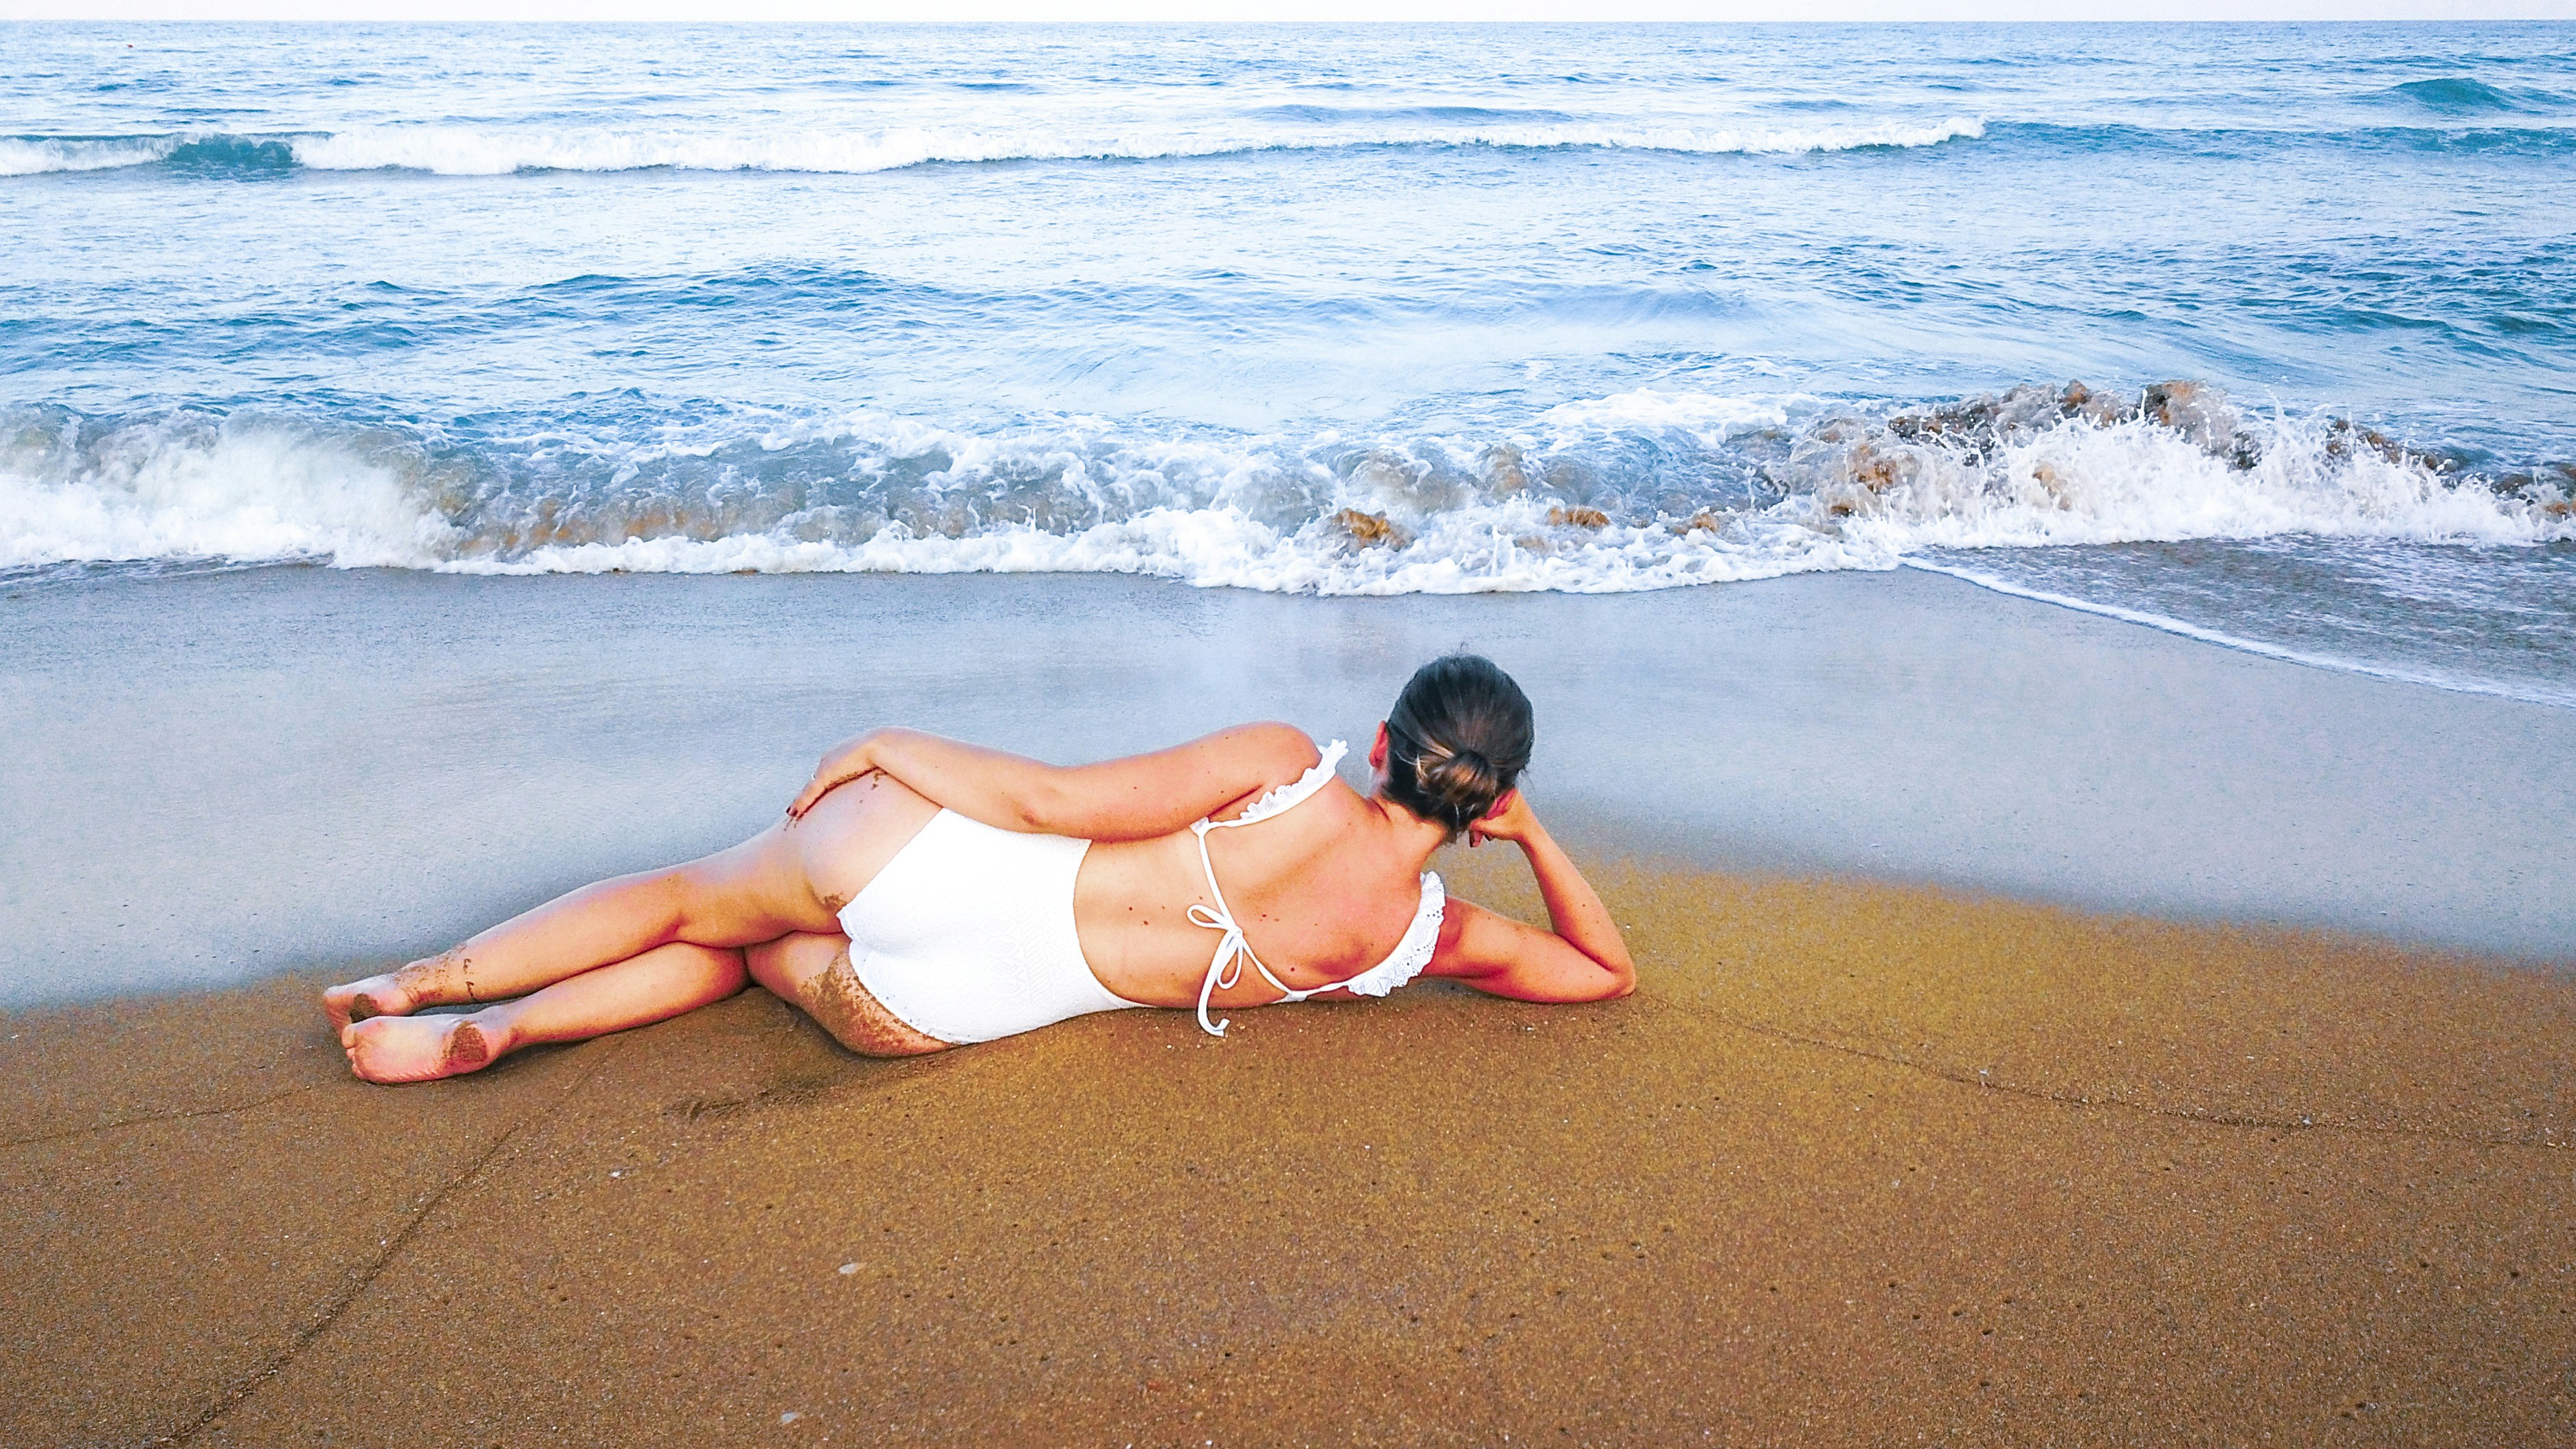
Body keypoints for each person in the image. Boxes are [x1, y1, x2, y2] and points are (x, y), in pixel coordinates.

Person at [326, 654, 1633, 1083]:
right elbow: (1602, 972)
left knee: (691, 896)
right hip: (928, 1017)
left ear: (1385, 743)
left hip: (935, 870)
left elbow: (1049, 799)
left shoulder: (1285, 762)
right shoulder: (1421, 939)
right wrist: (1533, 836)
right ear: (1485, 804)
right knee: (740, 962)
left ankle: (432, 986)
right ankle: (495, 1034)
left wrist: (886, 741)